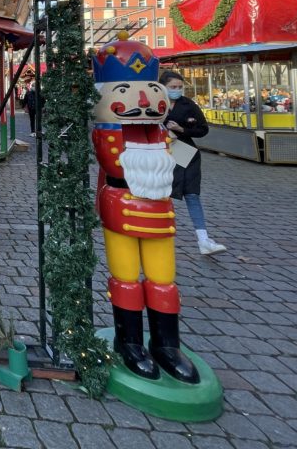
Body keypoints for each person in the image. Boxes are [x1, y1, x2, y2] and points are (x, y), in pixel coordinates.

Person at [91, 33, 198, 383]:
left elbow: (186, 159)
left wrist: (182, 153)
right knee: (125, 277)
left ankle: (168, 345)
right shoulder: (109, 134)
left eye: (152, 92)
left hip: (159, 211)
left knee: (163, 280)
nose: (143, 101)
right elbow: (115, 162)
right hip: (121, 207)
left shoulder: (160, 133)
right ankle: (130, 342)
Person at [160, 69, 227, 256]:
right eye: (173, 87)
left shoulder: (188, 104)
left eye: (180, 87)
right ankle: (158, 239)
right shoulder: (154, 104)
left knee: (191, 194)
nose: (177, 90)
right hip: (159, 152)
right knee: (159, 193)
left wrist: (181, 129)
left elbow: (202, 129)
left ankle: (203, 239)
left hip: (183, 150)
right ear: (162, 87)